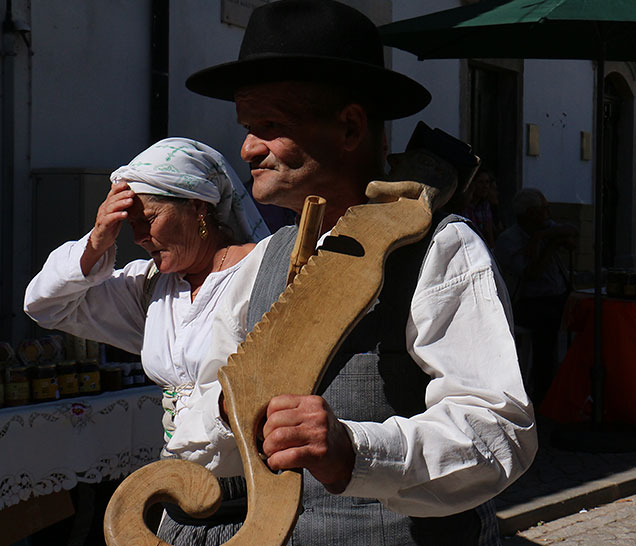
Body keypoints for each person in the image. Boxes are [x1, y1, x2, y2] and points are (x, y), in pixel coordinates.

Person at [160, 1, 537, 544]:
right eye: (247, 127)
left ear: (351, 128)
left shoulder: (440, 249)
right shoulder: (264, 260)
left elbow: (499, 429)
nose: (247, 148)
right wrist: (228, 404)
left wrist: (354, 451)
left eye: (270, 126)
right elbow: (197, 420)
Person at [23, 137, 270, 453]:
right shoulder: (152, 286)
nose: (139, 238)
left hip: (251, 473)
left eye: (150, 219)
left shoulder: (260, 270)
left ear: (198, 208)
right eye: (131, 225)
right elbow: (44, 306)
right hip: (183, 477)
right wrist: (97, 241)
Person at [494, 188, 577, 402]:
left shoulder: (544, 228)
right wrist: (550, 245)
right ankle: (544, 393)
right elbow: (531, 273)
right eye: (544, 209)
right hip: (527, 301)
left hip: (557, 295)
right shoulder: (509, 240)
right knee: (546, 333)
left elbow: (571, 230)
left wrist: (542, 236)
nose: (548, 213)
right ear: (530, 213)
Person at [462, 168, 501, 248]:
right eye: (481, 182)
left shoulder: (485, 206)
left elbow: (488, 234)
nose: (485, 186)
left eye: (487, 182)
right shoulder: (464, 206)